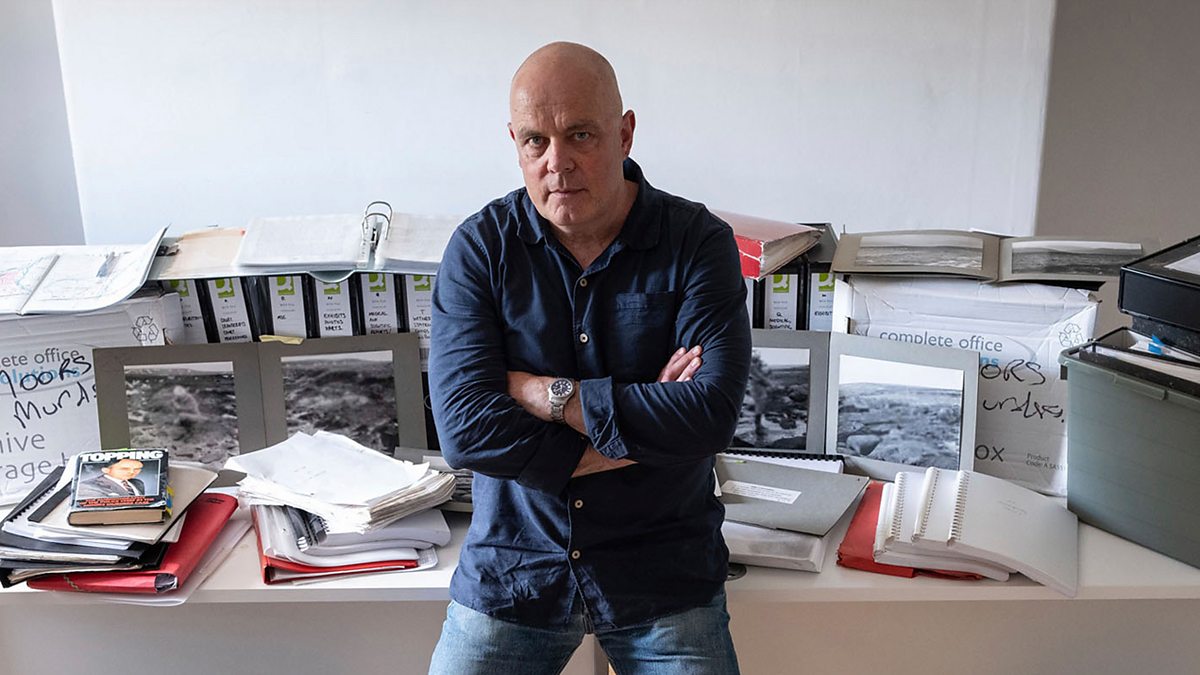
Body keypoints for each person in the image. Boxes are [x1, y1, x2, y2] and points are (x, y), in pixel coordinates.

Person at [427, 41, 751, 674]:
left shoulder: (698, 243)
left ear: (624, 134)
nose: (558, 163)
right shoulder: (480, 249)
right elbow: (465, 430)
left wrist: (539, 393)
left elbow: (709, 415)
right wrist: (644, 430)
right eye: (535, 142)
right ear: (515, 142)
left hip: (662, 571)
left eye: (580, 135)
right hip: (515, 568)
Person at [74, 458, 145, 501]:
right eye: (124, 469)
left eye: (137, 469)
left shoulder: (138, 483)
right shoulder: (87, 486)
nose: (132, 472)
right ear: (106, 470)